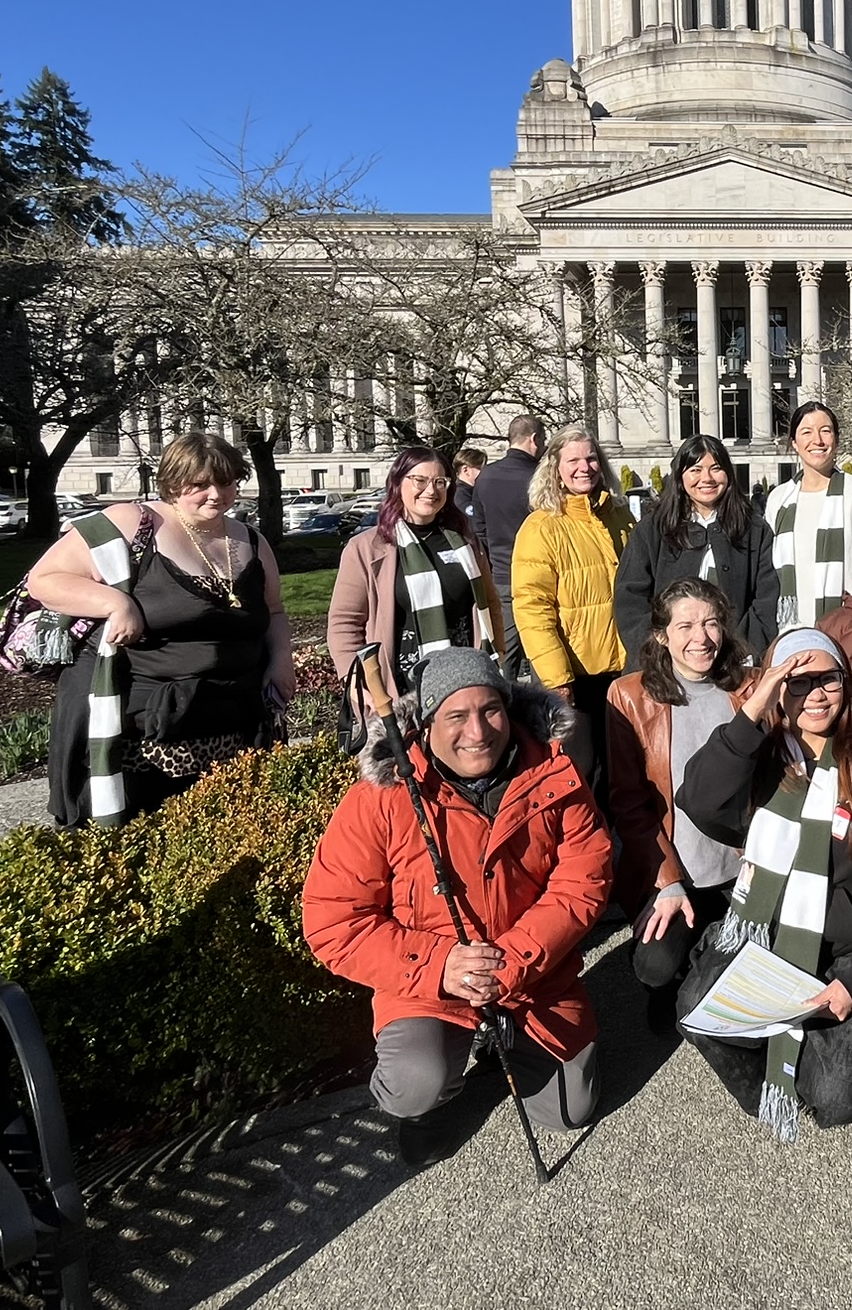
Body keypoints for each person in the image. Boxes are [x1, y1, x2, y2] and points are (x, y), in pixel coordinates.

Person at [302, 648, 610, 1159]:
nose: (478, 731)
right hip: (428, 985)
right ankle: (427, 1101)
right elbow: (335, 920)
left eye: (490, 710)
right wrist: (440, 965)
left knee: (570, 1109)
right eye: (456, 716)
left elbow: (584, 880)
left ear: (509, 709)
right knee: (414, 1082)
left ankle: (500, 1041)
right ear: (425, 723)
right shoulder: (381, 798)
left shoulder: (555, 774)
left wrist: (511, 960)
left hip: (532, 971)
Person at [674, 628, 852, 1139]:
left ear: (848, 683)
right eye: (797, 682)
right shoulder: (763, 759)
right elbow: (701, 800)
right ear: (776, 689)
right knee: (694, 1011)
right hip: (768, 939)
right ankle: (783, 1073)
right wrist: (751, 713)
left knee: (837, 1096)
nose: (815, 695)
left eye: (829, 680)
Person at [31, 432, 293, 828]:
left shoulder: (250, 541)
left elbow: (272, 610)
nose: (215, 494)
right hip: (146, 735)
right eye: (199, 484)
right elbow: (44, 579)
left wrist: (281, 661)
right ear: (172, 484)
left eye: (226, 482)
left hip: (233, 724)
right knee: (146, 833)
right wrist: (115, 603)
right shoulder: (132, 524)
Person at [604, 578, 762, 1028]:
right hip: (676, 866)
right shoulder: (629, 696)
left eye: (712, 623)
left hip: (739, 863)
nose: (701, 638)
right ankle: (672, 979)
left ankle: (712, 954)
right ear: (661, 635)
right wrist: (667, 882)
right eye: (686, 625)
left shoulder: (748, 689)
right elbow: (630, 804)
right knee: (655, 964)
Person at [509, 426, 635, 785]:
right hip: (575, 674)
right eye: (574, 460)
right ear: (555, 468)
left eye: (592, 457)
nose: (585, 467)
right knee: (581, 773)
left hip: (622, 668)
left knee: (622, 770)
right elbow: (533, 608)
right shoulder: (541, 527)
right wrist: (556, 678)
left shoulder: (619, 516)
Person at [327, 446, 503, 699]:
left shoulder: (465, 541)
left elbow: (491, 602)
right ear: (398, 483)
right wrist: (360, 687)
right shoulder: (366, 549)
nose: (431, 490)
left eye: (439, 482)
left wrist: (499, 654)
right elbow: (344, 624)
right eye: (420, 480)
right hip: (398, 691)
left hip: (466, 683)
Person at [613, 434, 779, 661]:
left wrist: (745, 651)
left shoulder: (754, 530)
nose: (707, 478)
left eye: (716, 468)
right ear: (681, 476)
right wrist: (659, 652)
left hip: (735, 662)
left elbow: (766, 599)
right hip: (665, 664)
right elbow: (630, 599)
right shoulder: (653, 529)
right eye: (696, 470)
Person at [763, 401, 852, 631]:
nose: (817, 440)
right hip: (791, 632)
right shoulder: (779, 499)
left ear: (836, 439)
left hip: (851, 633)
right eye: (806, 432)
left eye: (825, 431)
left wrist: (849, 624)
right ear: (794, 443)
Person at [472, 415, 545, 676]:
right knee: (541, 645)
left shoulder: (486, 476)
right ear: (534, 439)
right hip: (539, 575)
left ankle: (503, 700)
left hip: (501, 573)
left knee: (507, 647)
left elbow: (478, 527)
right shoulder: (540, 477)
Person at [451, 447, 487, 526]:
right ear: (466, 470)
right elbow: (476, 516)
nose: (485, 473)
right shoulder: (461, 494)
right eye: (481, 469)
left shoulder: (472, 491)